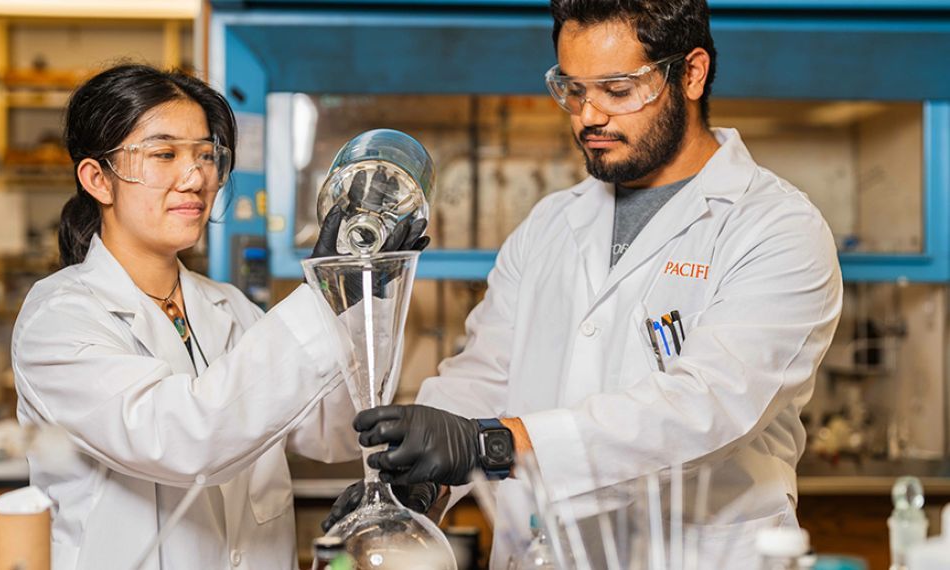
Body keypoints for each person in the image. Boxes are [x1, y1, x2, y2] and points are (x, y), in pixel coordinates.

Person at [324, 0, 843, 567]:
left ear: (690, 74)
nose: (587, 116)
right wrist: (422, 488)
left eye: (617, 90)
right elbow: (485, 377)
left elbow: (708, 407)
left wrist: (491, 443)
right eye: (572, 90)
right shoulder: (550, 224)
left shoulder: (774, 226)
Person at [11, 64, 425, 570]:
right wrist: (322, 300)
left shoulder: (229, 307)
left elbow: (332, 430)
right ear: (99, 178)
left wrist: (360, 295)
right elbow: (183, 437)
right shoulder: (59, 320)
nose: (196, 178)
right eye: (165, 154)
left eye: (206, 155)